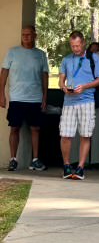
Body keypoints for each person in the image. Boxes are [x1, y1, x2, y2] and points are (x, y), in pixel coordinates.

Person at [0, 25, 49, 171]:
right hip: (16, 98)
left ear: (35, 36)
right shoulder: (12, 52)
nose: (26, 37)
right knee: (14, 128)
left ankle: (35, 160)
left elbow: (45, 76)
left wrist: (45, 97)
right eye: (23, 34)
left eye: (29, 34)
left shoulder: (40, 54)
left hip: (35, 98)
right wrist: (1, 94)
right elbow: (4, 72)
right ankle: (13, 159)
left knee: (35, 129)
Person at [58, 31, 99, 180]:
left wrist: (84, 86)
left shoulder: (94, 58)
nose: (75, 49)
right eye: (72, 46)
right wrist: (63, 87)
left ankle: (80, 168)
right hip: (69, 102)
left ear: (83, 43)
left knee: (85, 134)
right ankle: (66, 166)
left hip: (87, 100)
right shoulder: (66, 60)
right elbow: (61, 80)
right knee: (65, 134)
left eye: (77, 45)